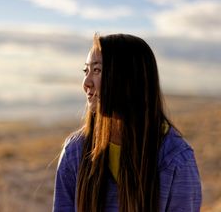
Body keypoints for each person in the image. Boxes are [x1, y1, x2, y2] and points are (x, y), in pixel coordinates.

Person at [53, 34, 202, 212]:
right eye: (86, 71)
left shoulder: (175, 158)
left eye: (97, 70)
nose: (86, 83)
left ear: (128, 78)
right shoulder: (75, 151)